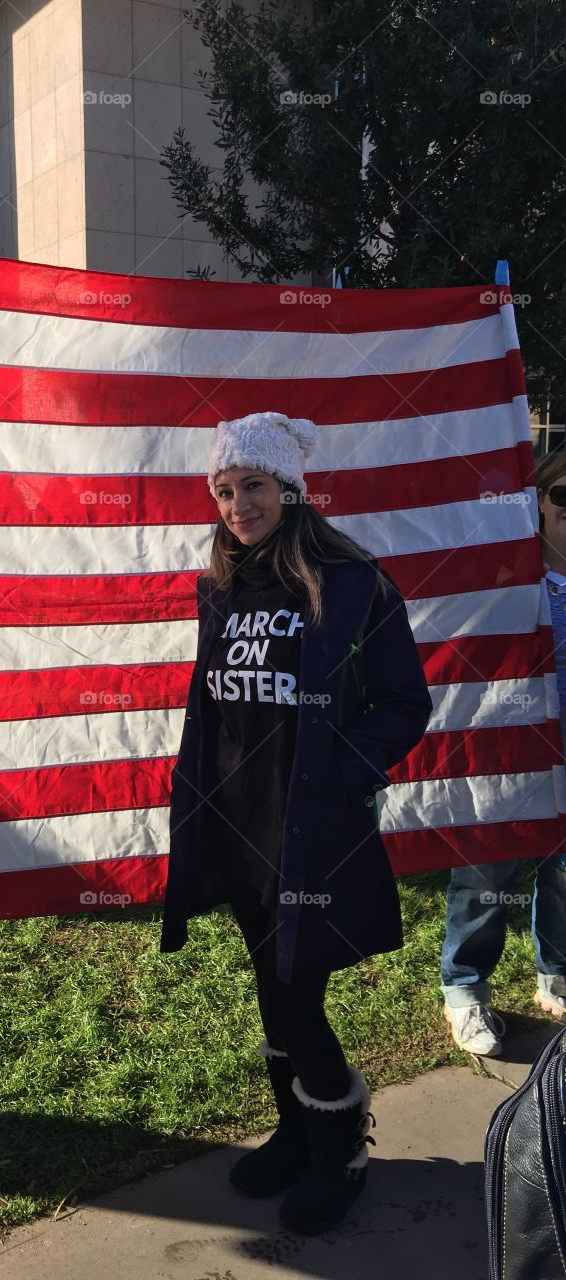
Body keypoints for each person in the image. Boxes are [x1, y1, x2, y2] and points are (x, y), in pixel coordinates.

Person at [160, 411, 433, 1236]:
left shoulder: (351, 580)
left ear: (291, 488)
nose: (239, 504)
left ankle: (339, 1148)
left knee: (295, 994)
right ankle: (295, 1130)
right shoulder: (223, 586)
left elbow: (404, 703)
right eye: (225, 489)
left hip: (307, 830)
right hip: (235, 825)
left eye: (254, 486)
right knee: (268, 987)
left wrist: (346, 776)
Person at [440, 448, 566, 1057]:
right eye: (563, 496)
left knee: (565, 868)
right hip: (509, 745)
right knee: (488, 869)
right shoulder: (507, 571)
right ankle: (465, 989)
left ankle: (557, 972)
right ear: (541, 498)